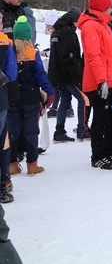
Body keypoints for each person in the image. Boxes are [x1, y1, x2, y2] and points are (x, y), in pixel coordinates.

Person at [78, 0, 112, 170]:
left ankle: (109, 149)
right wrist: (101, 80)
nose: (111, 10)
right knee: (101, 118)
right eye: (108, 6)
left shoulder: (104, 24)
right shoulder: (91, 26)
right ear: (101, 7)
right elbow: (93, 55)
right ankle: (97, 155)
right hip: (101, 81)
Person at [8, 16, 54, 176]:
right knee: (31, 131)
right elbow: (41, 76)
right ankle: (32, 164)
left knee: (12, 131)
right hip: (31, 99)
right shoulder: (32, 53)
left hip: (12, 98)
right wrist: (50, 93)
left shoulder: (9, 51)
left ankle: (12, 164)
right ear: (29, 36)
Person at [47, 7, 90, 142]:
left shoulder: (56, 31)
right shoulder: (68, 32)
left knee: (64, 102)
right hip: (68, 75)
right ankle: (82, 130)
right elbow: (71, 56)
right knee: (83, 100)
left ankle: (59, 131)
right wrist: (76, 76)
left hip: (57, 74)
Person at [0, 16, 18, 203]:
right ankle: (3, 182)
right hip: (1, 99)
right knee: (2, 142)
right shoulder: (5, 41)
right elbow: (11, 72)